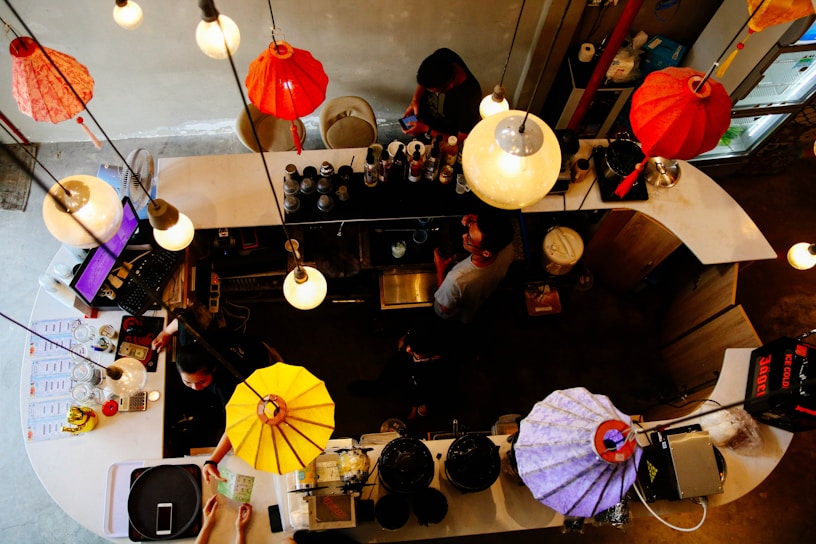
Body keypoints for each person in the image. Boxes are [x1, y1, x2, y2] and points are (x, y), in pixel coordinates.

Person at [434, 211, 515, 324]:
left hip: (457, 313)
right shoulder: (507, 248)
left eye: (469, 239)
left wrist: (440, 269)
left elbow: (445, 308)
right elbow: (499, 231)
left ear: (486, 253)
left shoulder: (456, 279)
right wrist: (478, 221)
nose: (464, 236)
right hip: (480, 302)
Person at [402, 48, 482, 143]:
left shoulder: (470, 102)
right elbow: (424, 82)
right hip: (426, 122)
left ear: (450, 86)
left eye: (435, 91)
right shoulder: (444, 56)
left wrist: (426, 130)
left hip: (444, 134)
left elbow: (460, 141)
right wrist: (415, 100)